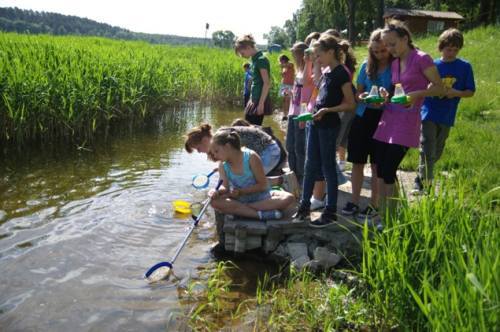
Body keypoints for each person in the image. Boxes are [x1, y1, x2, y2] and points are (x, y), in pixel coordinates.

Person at [373, 20, 444, 217]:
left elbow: (439, 88)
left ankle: (392, 214)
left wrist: (416, 95)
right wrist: (385, 95)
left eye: (392, 44)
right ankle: (385, 212)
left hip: (407, 122)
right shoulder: (395, 63)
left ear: (405, 39)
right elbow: (399, 90)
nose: (389, 48)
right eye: (386, 45)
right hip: (388, 118)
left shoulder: (422, 58)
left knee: (388, 169)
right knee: (380, 168)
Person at [293, 35, 356, 227]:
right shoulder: (328, 71)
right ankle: (304, 207)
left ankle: (330, 212)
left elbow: (350, 104)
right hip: (315, 123)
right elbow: (318, 86)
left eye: (319, 55)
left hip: (329, 125)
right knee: (309, 165)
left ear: (330, 52)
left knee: (328, 167)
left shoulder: (341, 74)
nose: (317, 59)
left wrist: (328, 110)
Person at [413, 28, 475, 194]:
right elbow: (422, 87)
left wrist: (457, 93)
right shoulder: (433, 65)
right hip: (429, 111)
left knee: (437, 151)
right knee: (427, 146)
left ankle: (420, 176)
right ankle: (425, 185)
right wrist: (431, 88)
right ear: (441, 47)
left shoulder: (465, 67)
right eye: (449, 49)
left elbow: (470, 91)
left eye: (456, 50)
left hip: (447, 114)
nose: (452, 53)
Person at [341, 29, 392, 220]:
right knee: (357, 161)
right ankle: (354, 200)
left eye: (383, 51)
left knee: (377, 164)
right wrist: (362, 96)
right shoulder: (365, 66)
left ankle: (374, 203)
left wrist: (385, 100)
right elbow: (358, 93)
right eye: (376, 51)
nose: (379, 55)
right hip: (363, 117)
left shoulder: (395, 67)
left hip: (384, 119)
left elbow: (398, 93)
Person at [208, 129, 295, 220]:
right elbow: (224, 187)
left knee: (289, 198)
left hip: (260, 198)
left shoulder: (251, 157)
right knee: (214, 202)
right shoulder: (223, 165)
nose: (215, 156)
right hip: (240, 200)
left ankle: (242, 210)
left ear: (227, 146)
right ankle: (259, 215)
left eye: (216, 151)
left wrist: (241, 192)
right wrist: (216, 191)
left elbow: (263, 185)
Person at [185, 123, 283, 176]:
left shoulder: (221, 137)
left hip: (269, 151)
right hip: (265, 152)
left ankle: (283, 180)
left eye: (198, 148)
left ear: (204, 140)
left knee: (250, 182)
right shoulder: (218, 141)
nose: (199, 151)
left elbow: (237, 160)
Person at [234, 34, 272, 126]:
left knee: (253, 130)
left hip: (259, 100)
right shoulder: (254, 60)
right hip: (254, 99)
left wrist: (261, 104)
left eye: (242, 53)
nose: (242, 56)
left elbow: (266, 83)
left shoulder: (261, 60)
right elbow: (256, 82)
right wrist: (251, 98)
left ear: (248, 47)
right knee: (248, 126)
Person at [286, 42, 309, 186]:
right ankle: (292, 174)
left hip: (301, 112)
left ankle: (301, 177)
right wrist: (290, 93)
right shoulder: (298, 69)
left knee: (300, 147)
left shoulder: (309, 67)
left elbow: (308, 93)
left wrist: (304, 115)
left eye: (295, 53)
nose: (293, 56)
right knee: (289, 145)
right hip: (292, 111)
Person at [279, 54, 294, 121]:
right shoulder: (284, 67)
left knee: (288, 100)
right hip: (284, 85)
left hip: (289, 85)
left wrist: (282, 65)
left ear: (284, 60)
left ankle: (288, 114)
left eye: (281, 61)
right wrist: (282, 70)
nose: (280, 62)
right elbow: (283, 75)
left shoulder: (290, 64)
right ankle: (284, 115)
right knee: (284, 100)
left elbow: (288, 65)